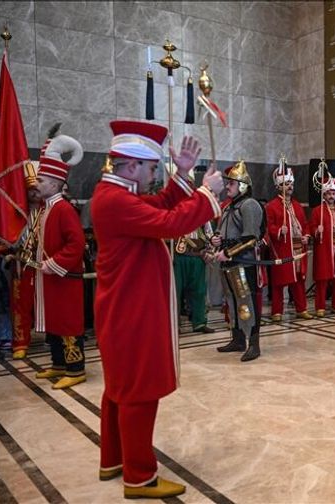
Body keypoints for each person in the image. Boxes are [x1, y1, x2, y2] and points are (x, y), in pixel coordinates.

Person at [91, 120, 224, 499]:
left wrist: (182, 176)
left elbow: (161, 203)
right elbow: (169, 222)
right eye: (153, 168)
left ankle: (113, 459)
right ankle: (139, 476)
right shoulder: (115, 200)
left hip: (124, 309)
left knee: (119, 389)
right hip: (130, 312)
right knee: (137, 391)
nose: (155, 176)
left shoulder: (115, 194)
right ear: (131, 165)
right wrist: (205, 195)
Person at [32, 132, 88, 389]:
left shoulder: (63, 209)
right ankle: (58, 363)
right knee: (54, 321)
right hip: (51, 279)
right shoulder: (46, 208)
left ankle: (75, 368)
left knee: (67, 322)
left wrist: (54, 264)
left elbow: (76, 244)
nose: (36, 183)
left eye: (41, 179)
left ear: (55, 184)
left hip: (65, 278)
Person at [212, 160, 264, 361]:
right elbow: (220, 232)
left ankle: (253, 343)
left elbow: (251, 239)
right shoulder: (227, 207)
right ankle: (238, 339)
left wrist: (229, 253)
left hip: (243, 264)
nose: (227, 187)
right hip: (228, 263)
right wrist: (215, 239)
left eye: (231, 184)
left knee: (246, 304)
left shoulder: (249, 205)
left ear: (242, 184)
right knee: (232, 303)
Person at [265, 162, 312, 321]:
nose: (290, 186)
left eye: (291, 183)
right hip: (283, 247)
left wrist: (306, 235)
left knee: (299, 280)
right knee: (279, 281)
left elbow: (305, 225)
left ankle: (301, 308)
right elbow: (268, 227)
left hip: (298, 247)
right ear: (279, 186)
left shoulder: (297, 205)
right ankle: (277, 311)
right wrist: (279, 231)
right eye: (286, 184)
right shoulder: (271, 206)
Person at [9, 163, 43, 359]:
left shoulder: (51, 210)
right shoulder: (16, 212)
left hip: (45, 264)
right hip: (22, 263)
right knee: (20, 304)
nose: (34, 194)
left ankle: (53, 338)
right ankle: (20, 342)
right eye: (31, 190)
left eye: (37, 190)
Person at [310, 175, 335, 317]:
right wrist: (316, 230)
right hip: (324, 249)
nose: (331, 196)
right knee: (322, 278)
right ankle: (320, 306)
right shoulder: (317, 211)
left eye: (333, 193)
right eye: (329, 193)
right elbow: (311, 228)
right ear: (324, 195)